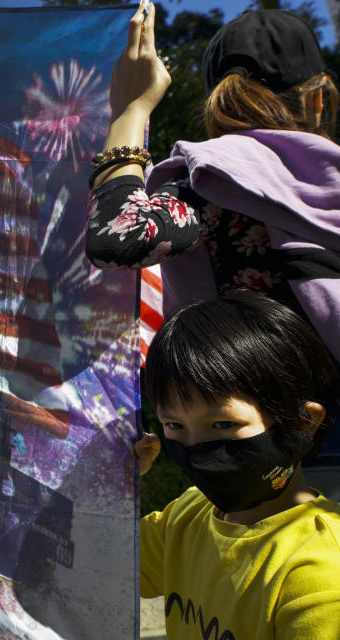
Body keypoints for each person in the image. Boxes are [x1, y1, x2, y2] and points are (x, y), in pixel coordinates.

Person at [84, 4, 340, 365]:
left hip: (269, 414)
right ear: (318, 100)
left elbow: (118, 238)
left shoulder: (219, 178)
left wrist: (130, 111)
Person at [135, 291, 340, 639]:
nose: (197, 447)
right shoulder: (184, 517)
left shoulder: (319, 572)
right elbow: (85, 560)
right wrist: (108, 480)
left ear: (302, 422)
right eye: (175, 426)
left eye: (222, 425)